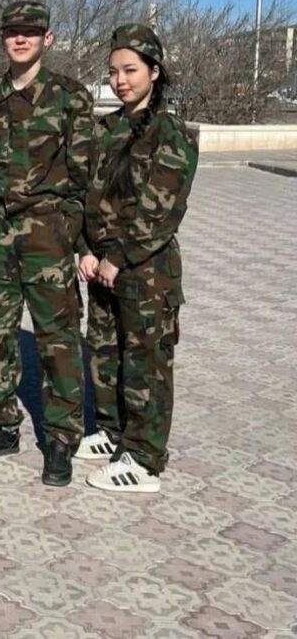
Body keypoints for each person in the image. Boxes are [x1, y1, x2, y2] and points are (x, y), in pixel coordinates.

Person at [0, 0, 93, 487]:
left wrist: (69, 232)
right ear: (3, 38)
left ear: (48, 39)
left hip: (47, 234)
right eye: (13, 32)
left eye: (31, 32)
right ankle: (0, 427)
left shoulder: (69, 97)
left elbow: (85, 174)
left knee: (58, 338)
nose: (21, 39)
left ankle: (60, 439)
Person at [76, 24, 197, 494]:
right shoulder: (106, 129)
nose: (120, 80)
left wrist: (119, 256)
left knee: (145, 362)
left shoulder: (170, 132)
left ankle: (144, 459)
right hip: (103, 267)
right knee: (105, 354)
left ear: (154, 71)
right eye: (113, 72)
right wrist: (87, 250)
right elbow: (87, 197)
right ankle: (112, 432)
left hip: (147, 272)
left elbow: (161, 208)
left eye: (130, 70)